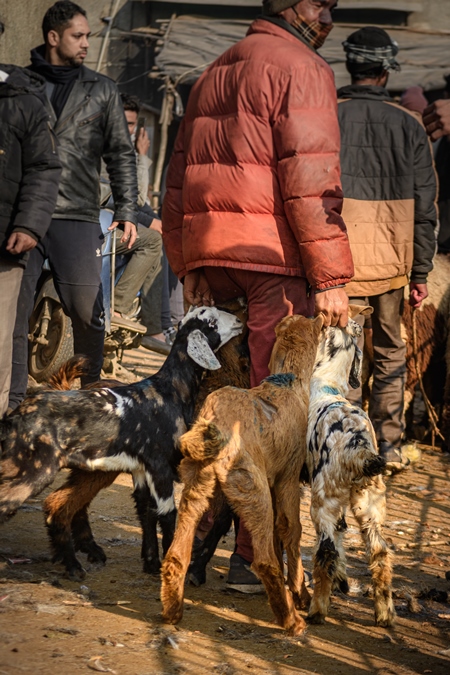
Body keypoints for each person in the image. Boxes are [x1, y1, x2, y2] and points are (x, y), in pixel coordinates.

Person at [162, 0, 354, 591]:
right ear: (302, 7)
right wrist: (331, 276)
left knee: (221, 409)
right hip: (274, 262)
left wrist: (185, 261)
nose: (330, 18)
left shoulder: (214, 68)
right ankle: (256, 557)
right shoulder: (302, 66)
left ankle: (189, 550)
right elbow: (310, 180)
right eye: (327, 6)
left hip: (214, 259)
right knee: (277, 416)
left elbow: (178, 174)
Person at [8, 0, 138, 409]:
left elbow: (121, 152)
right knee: (13, 314)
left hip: (76, 214)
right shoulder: (20, 84)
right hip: (24, 214)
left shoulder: (102, 89)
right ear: (53, 38)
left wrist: (127, 209)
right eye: (77, 36)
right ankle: (11, 404)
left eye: (87, 36)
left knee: (86, 309)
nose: (85, 44)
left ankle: (91, 391)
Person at [337, 27, 437, 471]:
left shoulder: (326, 115)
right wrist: (420, 272)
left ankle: (347, 443)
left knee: (344, 350)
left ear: (350, 64)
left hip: (338, 261)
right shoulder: (410, 126)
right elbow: (425, 205)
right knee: (392, 350)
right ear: (386, 68)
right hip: (393, 264)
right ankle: (389, 445)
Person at [0, 63, 61, 417]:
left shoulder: (24, 101)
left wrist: (28, 225)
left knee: (1, 341)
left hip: (5, 243)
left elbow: (44, 168)